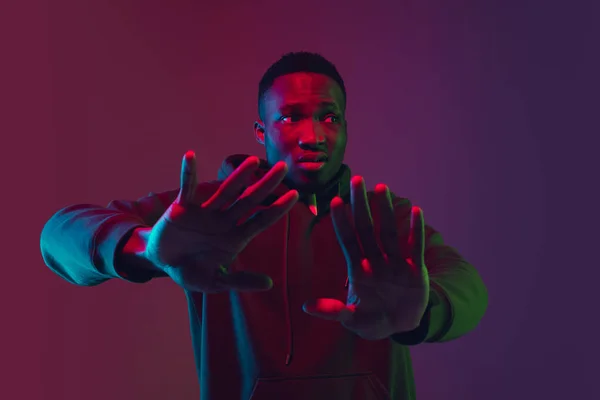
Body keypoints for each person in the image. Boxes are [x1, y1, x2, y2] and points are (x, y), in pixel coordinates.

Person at [41, 52, 488, 400]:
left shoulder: (383, 218)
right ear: (261, 131)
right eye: (291, 116)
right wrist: (144, 248)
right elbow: (57, 234)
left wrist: (425, 313)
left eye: (328, 118)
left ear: (347, 128)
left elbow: (469, 288)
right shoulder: (209, 212)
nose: (313, 135)